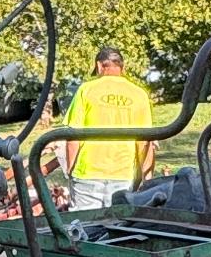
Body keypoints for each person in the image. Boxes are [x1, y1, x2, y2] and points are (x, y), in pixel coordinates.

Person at [59, 47, 157, 210]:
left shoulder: (86, 90)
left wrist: (70, 169)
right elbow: (144, 141)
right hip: (123, 175)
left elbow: (73, 137)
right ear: (122, 67)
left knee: (85, 227)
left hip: (87, 174)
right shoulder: (139, 94)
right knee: (118, 226)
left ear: (99, 66)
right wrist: (148, 177)